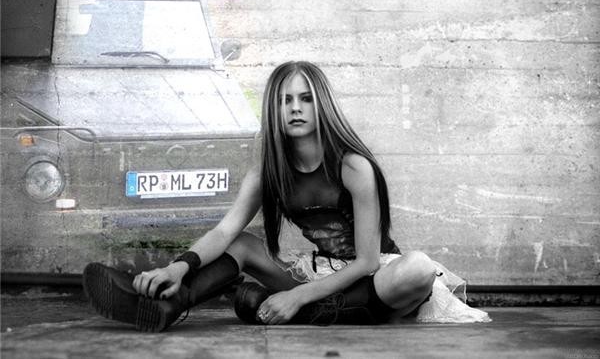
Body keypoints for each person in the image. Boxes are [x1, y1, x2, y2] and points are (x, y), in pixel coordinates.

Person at [83, 61, 489, 331]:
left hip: (373, 280)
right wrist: (177, 268)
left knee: (418, 267)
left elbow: (367, 261)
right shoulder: (267, 173)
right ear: (273, 110)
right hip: (322, 273)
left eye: (305, 98)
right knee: (243, 243)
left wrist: (295, 296)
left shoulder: (353, 167)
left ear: (321, 105)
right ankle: (167, 304)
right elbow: (224, 232)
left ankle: (293, 309)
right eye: (285, 100)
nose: (295, 108)